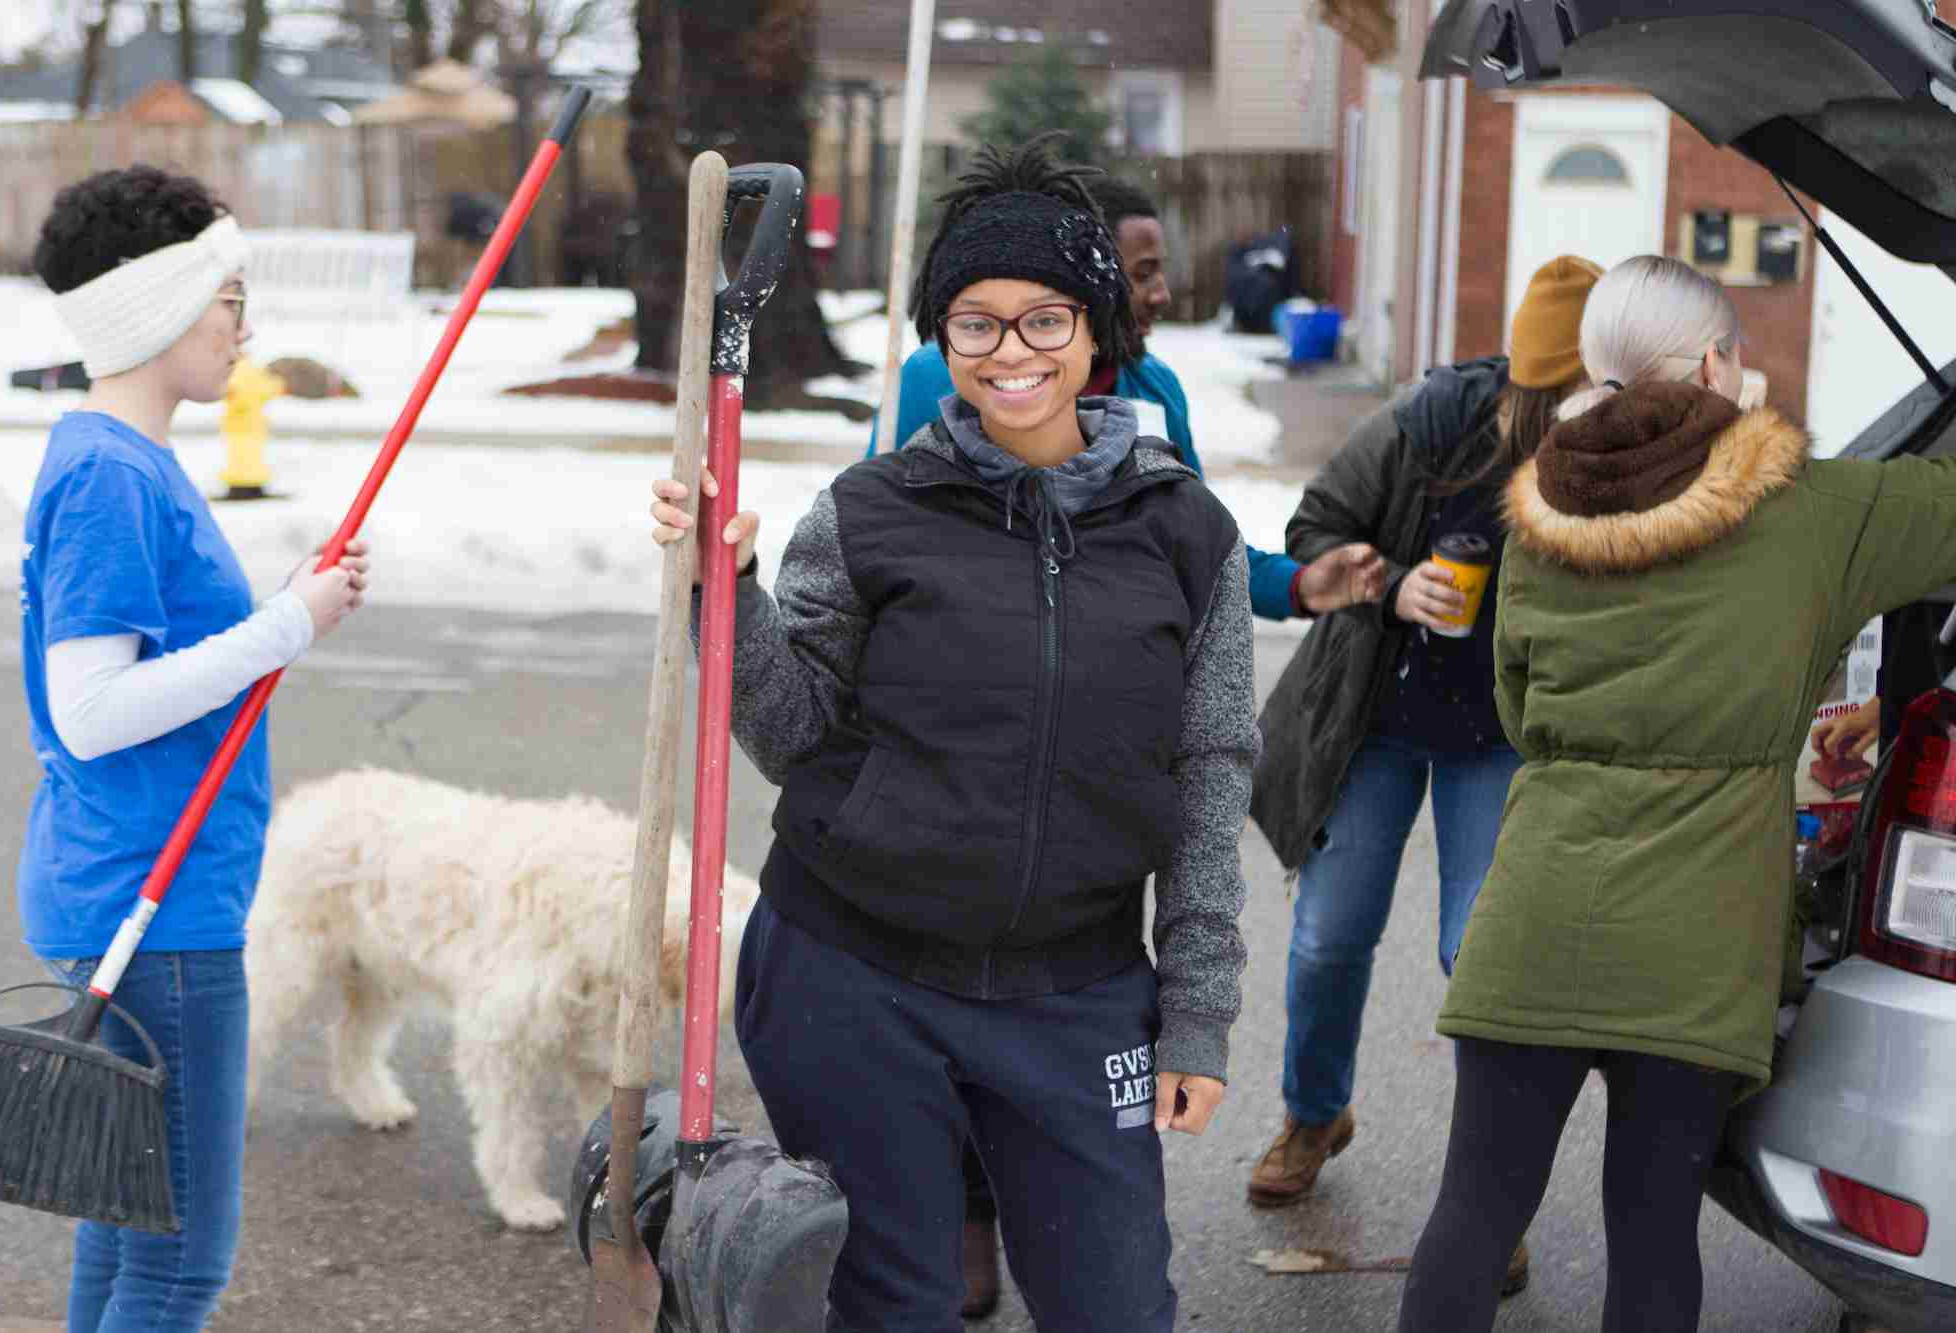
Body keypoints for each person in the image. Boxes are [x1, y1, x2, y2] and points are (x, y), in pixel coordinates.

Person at [649, 138, 1301, 1331]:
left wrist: (1197, 1008)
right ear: (939, 341)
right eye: (975, 323)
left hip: (1076, 987)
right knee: (893, 1302)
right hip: (853, 971)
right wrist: (721, 592)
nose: (1011, 353)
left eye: (1043, 319)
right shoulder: (869, 512)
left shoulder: (1184, 532)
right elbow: (791, 733)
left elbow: (1210, 776)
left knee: (1114, 1305)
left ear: (1095, 330)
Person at [1397, 254, 1956, 1332]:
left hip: (1535, 920)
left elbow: (1517, 710)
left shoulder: (1536, 523)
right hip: (1697, 943)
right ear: (1712, 361)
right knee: (1650, 1235)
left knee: (1468, 1217)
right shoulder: (1810, 511)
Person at [20, 164, 370, 1332]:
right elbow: (94, 707)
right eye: (228, 297)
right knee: (177, 1261)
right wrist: (288, 626)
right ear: (159, 306)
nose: (244, 323)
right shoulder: (113, 475)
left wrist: (280, 610)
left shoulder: (116, 462)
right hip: (153, 908)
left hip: (142, 888)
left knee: (125, 1232)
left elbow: (160, 662)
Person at [1243, 257, 1602, 1301]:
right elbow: (1311, 526)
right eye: (1562, 397)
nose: (1575, 416)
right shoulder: (1432, 420)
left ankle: (1487, 1201)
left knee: (1477, 959)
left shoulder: (1606, 460)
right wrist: (1395, 589)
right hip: (1380, 721)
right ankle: (1314, 1113)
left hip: (1500, 737)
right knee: (1327, 934)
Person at [869, 166, 1374, 628]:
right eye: (1142, 273)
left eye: (1160, 271)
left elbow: (1197, 544)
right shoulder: (944, 377)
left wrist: (1298, 584)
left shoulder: (1155, 391)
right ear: (1093, 277)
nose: (1162, 294)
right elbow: (876, 533)